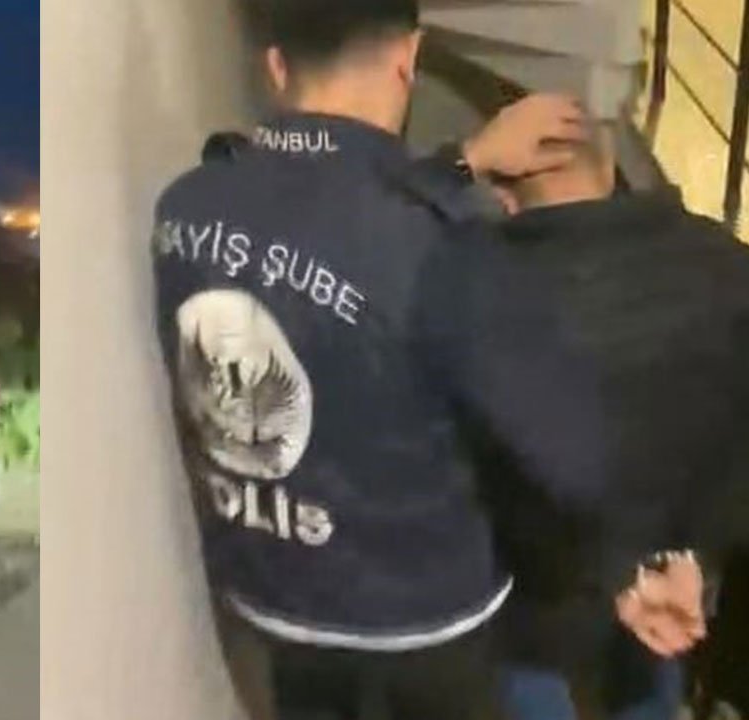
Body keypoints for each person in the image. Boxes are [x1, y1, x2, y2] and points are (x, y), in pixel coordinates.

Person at [151, 1, 699, 717]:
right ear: (409, 57)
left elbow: (337, 217)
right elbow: (569, 458)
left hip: (270, 610)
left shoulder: (184, 207)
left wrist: (464, 161)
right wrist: (641, 566)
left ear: (276, 67)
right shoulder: (449, 252)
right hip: (420, 634)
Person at [482, 124, 749, 720]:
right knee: (653, 659)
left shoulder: (490, 289)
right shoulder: (719, 260)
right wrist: (693, 552)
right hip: (668, 552)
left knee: (526, 664)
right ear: (607, 177)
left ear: (506, 199)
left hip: (547, 580)